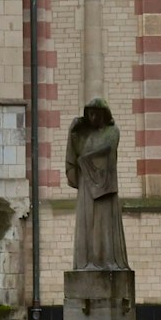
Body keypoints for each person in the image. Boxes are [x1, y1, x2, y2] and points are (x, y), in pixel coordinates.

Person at [65, 98, 127, 270]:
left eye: (97, 114)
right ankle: (87, 262)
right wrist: (72, 132)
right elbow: (74, 156)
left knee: (104, 224)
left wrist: (85, 159)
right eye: (90, 114)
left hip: (105, 187)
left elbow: (107, 150)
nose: (93, 117)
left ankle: (107, 261)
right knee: (87, 222)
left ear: (104, 115)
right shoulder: (84, 136)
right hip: (86, 186)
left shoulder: (112, 131)